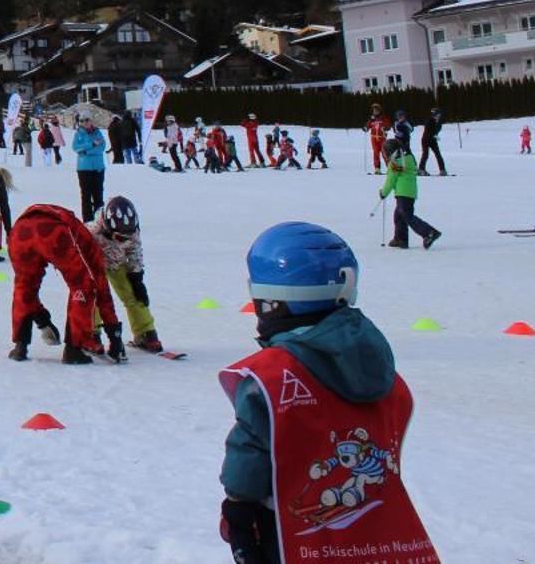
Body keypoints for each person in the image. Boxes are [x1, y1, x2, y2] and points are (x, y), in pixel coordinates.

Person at [217, 222, 435, 564]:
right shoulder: (384, 374)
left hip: (291, 530)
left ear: (273, 302)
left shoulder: (272, 378)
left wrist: (237, 505)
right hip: (372, 534)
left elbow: (250, 451)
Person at [7, 203, 122, 365]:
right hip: (54, 231)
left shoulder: (84, 234)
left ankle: (20, 346)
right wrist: (115, 337)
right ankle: (74, 349)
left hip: (20, 230)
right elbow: (102, 292)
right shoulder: (93, 250)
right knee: (83, 286)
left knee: (24, 286)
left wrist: (42, 320)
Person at [90, 196, 163, 353]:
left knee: (134, 295)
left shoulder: (132, 230)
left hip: (118, 263)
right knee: (94, 297)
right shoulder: (92, 232)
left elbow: (135, 250)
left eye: (127, 237)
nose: (123, 241)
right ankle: (91, 333)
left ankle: (145, 332)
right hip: (95, 267)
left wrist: (137, 277)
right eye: (119, 237)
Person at [379, 138, 440, 250]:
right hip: (410, 192)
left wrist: (383, 193)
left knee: (407, 215)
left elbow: (391, 180)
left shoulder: (395, 162)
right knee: (399, 215)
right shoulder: (407, 158)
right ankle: (400, 239)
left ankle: (429, 232)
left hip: (403, 192)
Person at [73, 113, 107, 220]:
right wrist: (91, 145)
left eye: (86, 120)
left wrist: (86, 151)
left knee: (98, 194)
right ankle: (87, 220)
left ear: (91, 121)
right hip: (84, 169)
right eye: (82, 121)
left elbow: (102, 148)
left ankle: (99, 219)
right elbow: (76, 148)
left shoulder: (98, 132)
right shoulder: (78, 134)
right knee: (86, 195)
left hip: (98, 168)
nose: (84, 123)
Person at [417, 108, 447, 176]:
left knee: (438, 154)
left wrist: (435, 135)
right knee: (425, 154)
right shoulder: (429, 121)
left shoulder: (439, 122)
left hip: (433, 140)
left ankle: (442, 170)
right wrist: (434, 135)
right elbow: (428, 132)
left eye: (439, 115)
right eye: (436, 115)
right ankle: (421, 169)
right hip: (425, 140)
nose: (438, 117)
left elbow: (437, 130)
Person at [365, 103, 388, 175]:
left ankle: (389, 168)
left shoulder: (383, 118)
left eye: (376, 110)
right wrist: (365, 128)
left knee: (385, 153)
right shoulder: (372, 119)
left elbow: (388, 124)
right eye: (374, 110)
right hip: (374, 138)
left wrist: (386, 127)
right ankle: (377, 168)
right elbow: (367, 126)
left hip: (382, 138)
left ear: (379, 110)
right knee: (376, 153)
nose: (375, 111)